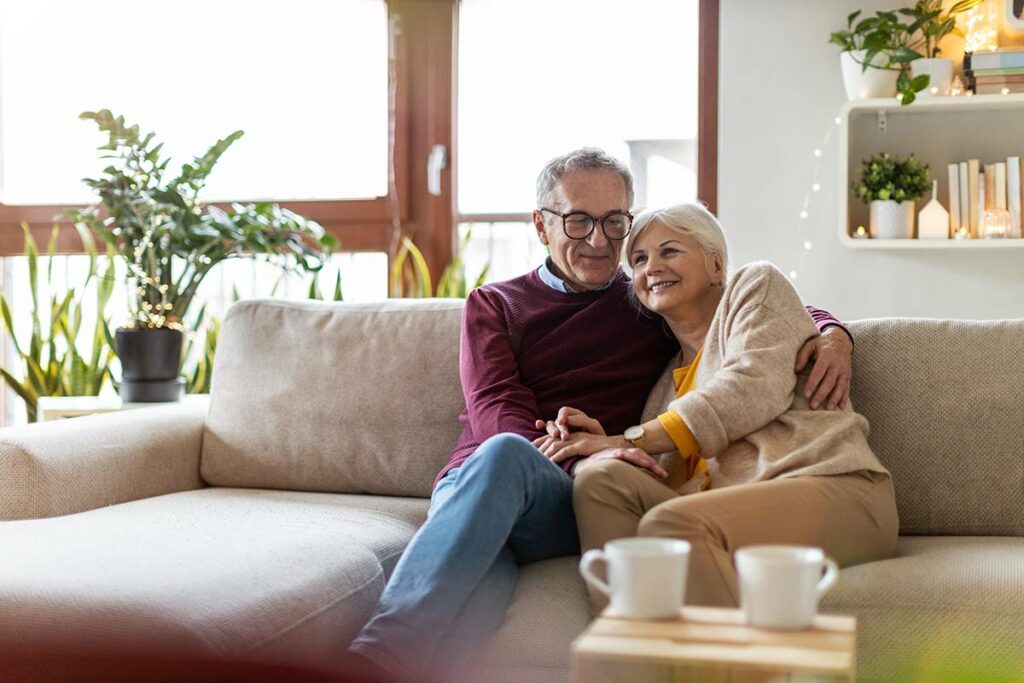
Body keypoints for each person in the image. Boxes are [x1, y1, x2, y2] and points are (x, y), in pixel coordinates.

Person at [347, 150, 854, 681]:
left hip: (580, 498)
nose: (598, 239)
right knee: (483, 561)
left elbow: (744, 307)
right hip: (488, 479)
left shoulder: (644, 295)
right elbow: (496, 408)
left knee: (507, 494)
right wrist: (582, 455)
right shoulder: (494, 305)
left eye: (614, 222)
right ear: (542, 226)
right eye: (578, 220)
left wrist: (832, 333)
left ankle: (366, 663)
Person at [538, 203, 898, 609]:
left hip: (836, 489)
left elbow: (748, 388)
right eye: (639, 259)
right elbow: (674, 477)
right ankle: (632, 645)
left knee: (673, 525)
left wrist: (632, 439)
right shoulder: (663, 390)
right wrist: (611, 449)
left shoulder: (755, 287)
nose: (651, 267)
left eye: (670, 251)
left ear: (715, 265)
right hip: (733, 512)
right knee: (599, 481)